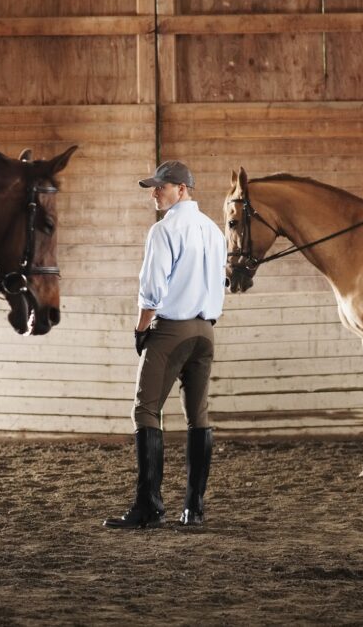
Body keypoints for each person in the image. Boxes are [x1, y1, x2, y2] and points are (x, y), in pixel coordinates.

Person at [103, 160, 227, 529]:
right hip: (205, 331)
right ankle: (194, 508)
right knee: (198, 417)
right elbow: (219, 283)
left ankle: (149, 506)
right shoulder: (213, 231)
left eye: (162, 186)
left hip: (172, 329)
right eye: (154, 187)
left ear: (183, 190)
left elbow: (152, 290)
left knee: (145, 411)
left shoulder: (164, 230)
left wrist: (141, 329)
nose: (155, 192)